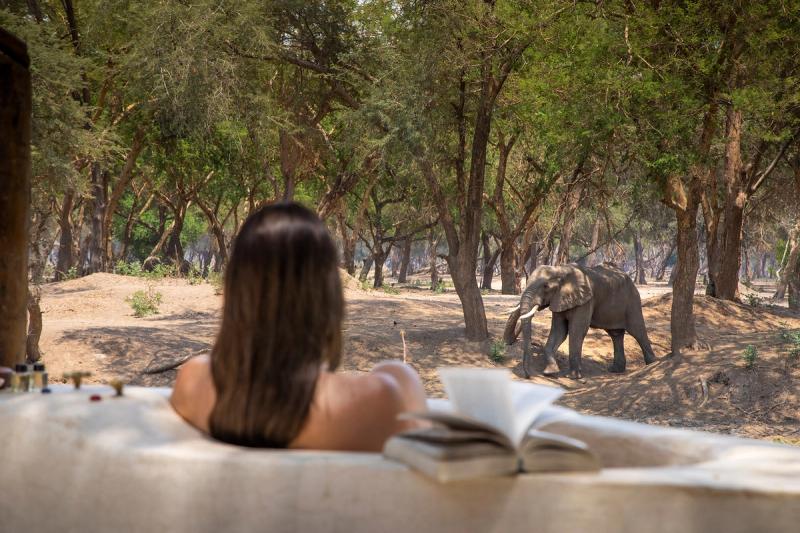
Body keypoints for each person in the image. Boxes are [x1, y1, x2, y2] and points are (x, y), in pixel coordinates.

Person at [170, 202, 427, 452]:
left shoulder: (193, 381)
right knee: (397, 371)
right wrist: (403, 377)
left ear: (236, 291)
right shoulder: (377, 400)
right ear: (328, 297)